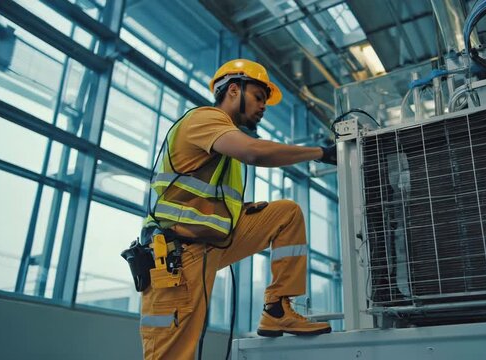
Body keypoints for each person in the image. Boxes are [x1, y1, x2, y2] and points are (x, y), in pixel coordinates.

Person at [139, 59, 337, 359]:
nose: (263, 106)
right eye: (259, 97)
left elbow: (211, 199)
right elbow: (253, 152)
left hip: (213, 243)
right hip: (178, 256)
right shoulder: (204, 119)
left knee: (285, 214)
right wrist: (320, 153)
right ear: (233, 89)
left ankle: (277, 309)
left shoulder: (221, 139)